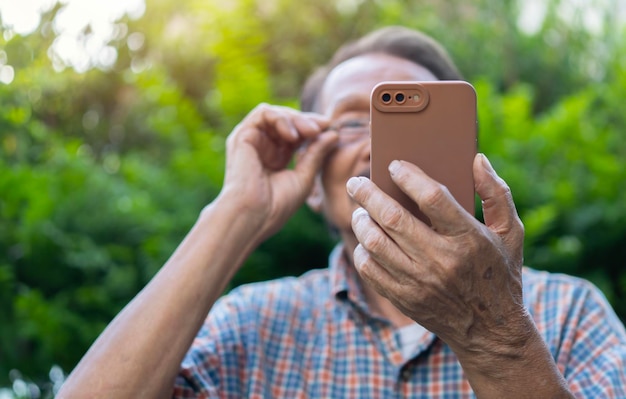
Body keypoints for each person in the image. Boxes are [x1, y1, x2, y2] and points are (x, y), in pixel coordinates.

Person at [57, 26, 626, 398]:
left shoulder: (569, 312)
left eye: (414, 119)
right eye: (356, 120)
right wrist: (236, 212)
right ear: (311, 180)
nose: (381, 144)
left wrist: (495, 336)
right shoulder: (248, 324)